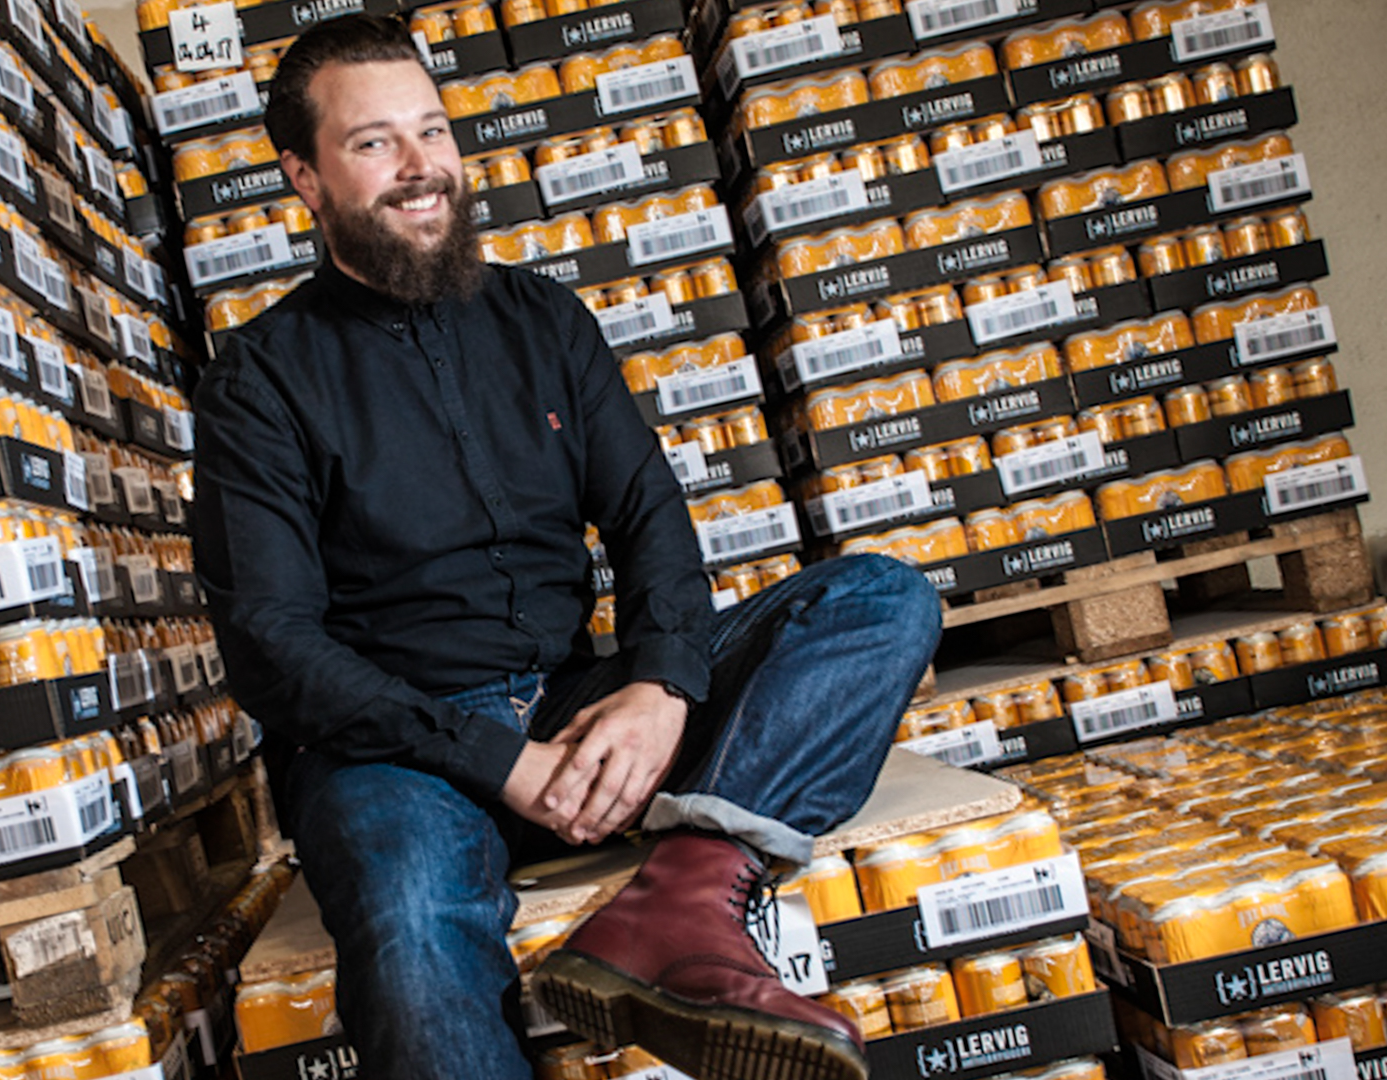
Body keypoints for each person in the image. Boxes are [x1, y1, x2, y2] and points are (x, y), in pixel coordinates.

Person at [190, 15, 942, 1080]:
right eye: (373, 143)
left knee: (878, 599)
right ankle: (669, 901)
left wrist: (660, 688)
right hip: (401, 757)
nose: (421, 167)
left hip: (580, 710)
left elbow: (647, 517)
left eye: (432, 131)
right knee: (410, 932)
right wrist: (500, 761)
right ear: (304, 179)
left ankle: (679, 903)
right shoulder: (259, 380)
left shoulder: (545, 320)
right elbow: (273, 646)